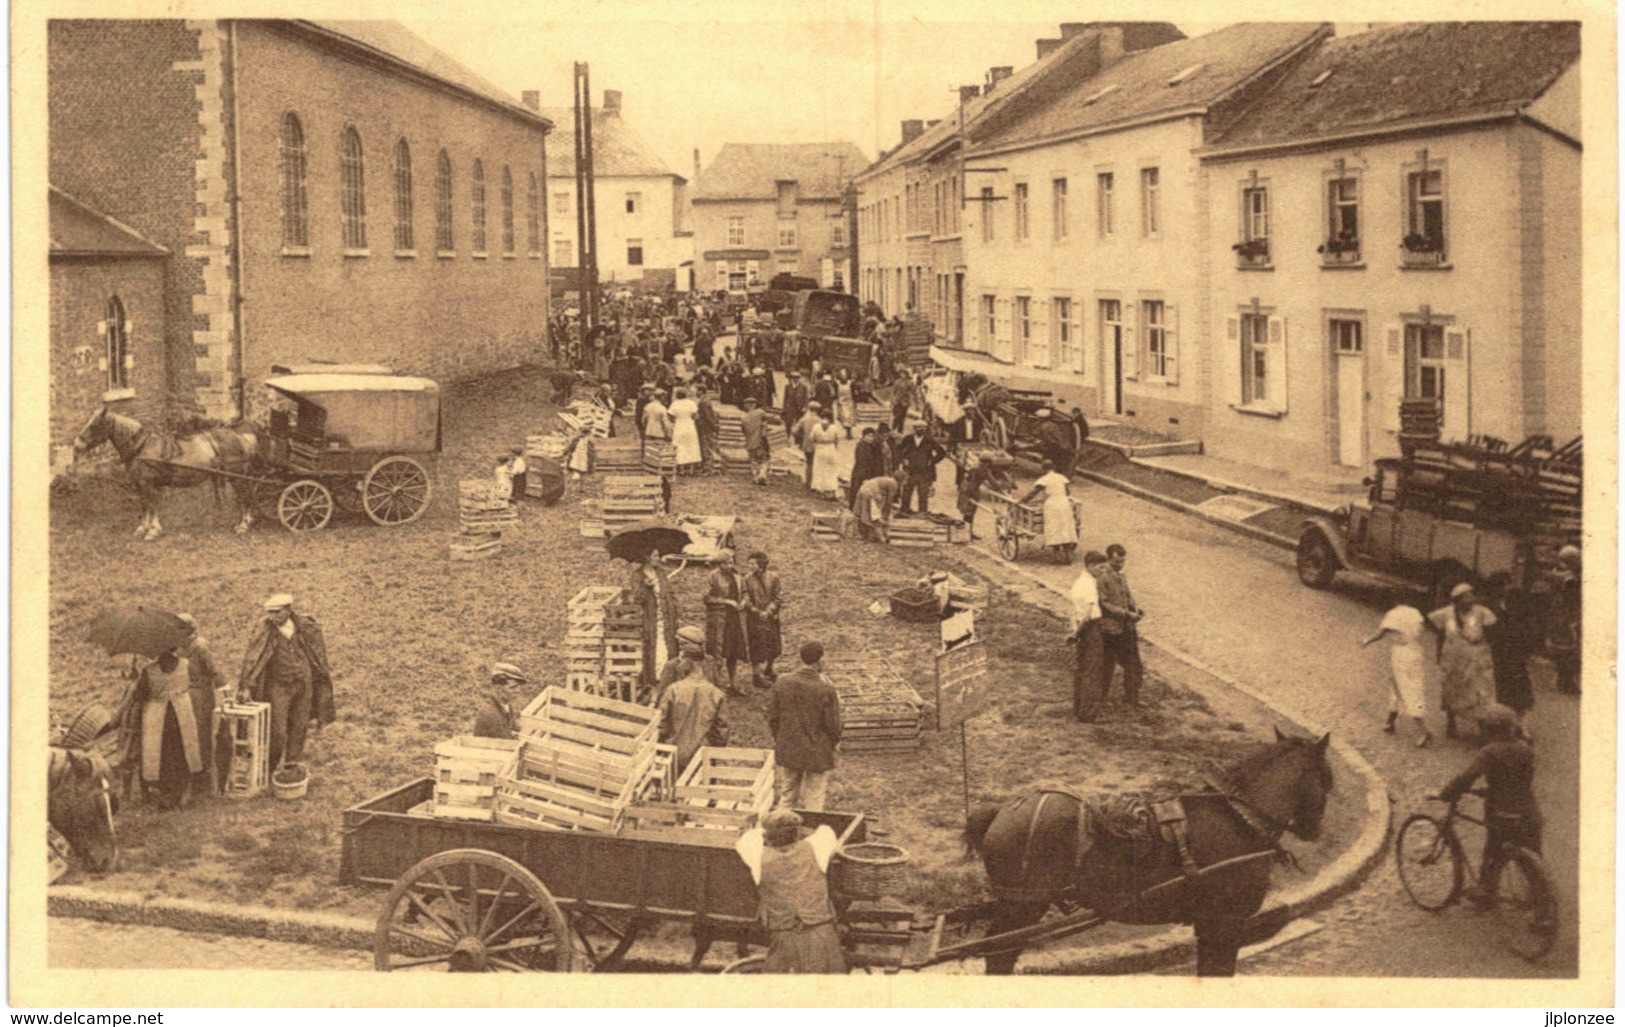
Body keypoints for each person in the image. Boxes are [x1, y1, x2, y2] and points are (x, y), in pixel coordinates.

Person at [1435, 703, 1545, 912]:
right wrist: (1488, 790)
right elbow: (1517, 781)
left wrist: (1447, 793)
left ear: (1487, 730)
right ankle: (1544, 912)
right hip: (1529, 812)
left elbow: (1467, 777)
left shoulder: (1489, 752)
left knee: (1493, 852)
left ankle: (1487, 894)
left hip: (1502, 814)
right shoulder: (1525, 749)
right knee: (1533, 861)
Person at [733, 809, 848, 973]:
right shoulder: (816, 848)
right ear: (797, 834)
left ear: (767, 837)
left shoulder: (757, 856)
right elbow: (826, 830)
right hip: (821, 932)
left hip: (784, 935)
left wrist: (767, 827)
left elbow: (747, 838)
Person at [238, 593, 335, 772]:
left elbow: (317, 654)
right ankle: (269, 766)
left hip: (304, 684)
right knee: (278, 731)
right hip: (279, 686)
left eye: (277, 612)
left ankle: (292, 763)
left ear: (288, 610)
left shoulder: (305, 626)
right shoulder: (264, 630)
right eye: (270, 612)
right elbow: (252, 659)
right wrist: (246, 685)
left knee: (300, 725)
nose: (272, 616)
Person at [114, 647, 211, 809]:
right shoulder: (186, 665)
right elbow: (195, 683)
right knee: (182, 751)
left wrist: (135, 682)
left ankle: (161, 793)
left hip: (157, 715)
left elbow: (139, 696)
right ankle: (180, 792)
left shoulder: (149, 671)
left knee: (158, 754)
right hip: (181, 713)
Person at [767, 642, 842, 812]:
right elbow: (833, 726)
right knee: (814, 798)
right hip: (817, 752)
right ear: (819, 660)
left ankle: (781, 832)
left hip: (789, 747)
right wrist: (833, 745)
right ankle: (811, 834)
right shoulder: (826, 690)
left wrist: (782, 739)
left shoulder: (781, 682)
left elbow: (772, 718)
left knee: (787, 795)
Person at [1360, 591, 1433, 747]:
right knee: (1403, 687)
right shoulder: (1415, 613)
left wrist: (1367, 641)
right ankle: (1389, 722)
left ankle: (1422, 731)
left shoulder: (1393, 614)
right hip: (1415, 651)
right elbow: (1420, 629)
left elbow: (1380, 634)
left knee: (1405, 689)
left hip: (1401, 653)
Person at [1428, 582, 1498, 738]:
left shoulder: (1482, 612)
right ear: (1457, 600)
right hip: (1453, 660)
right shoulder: (1446, 614)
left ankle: (1482, 726)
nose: (1471, 599)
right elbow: (1440, 636)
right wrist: (1439, 657)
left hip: (1477, 659)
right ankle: (1451, 721)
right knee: (1452, 690)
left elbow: (1492, 633)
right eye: (1467, 597)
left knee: (1480, 692)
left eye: (1472, 595)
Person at [658, 649, 731, 773]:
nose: (679, 665)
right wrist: (713, 750)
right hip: (703, 755)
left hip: (674, 754)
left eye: (681, 662)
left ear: (689, 664)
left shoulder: (673, 690)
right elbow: (722, 731)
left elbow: (661, 724)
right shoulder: (716, 694)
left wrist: (660, 748)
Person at [1483, 571, 1540, 719]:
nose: (1507, 587)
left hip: (1515, 648)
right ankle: (1500, 719)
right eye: (1503, 585)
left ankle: (1520, 721)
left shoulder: (1517, 601)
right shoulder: (1488, 604)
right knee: (1499, 683)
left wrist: (1527, 644)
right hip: (1497, 649)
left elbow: (1528, 622)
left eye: (1508, 584)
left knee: (1519, 684)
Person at [1097, 544, 1145, 707]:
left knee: (1134, 664)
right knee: (1106, 666)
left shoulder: (1121, 575)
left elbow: (1127, 594)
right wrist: (1124, 613)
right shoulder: (1102, 577)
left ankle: (1132, 698)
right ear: (1109, 559)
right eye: (1116, 562)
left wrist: (1135, 608)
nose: (1120, 565)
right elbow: (1104, 604)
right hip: (1110, 630)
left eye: (1122, 562)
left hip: (1127, 628)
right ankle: (1100, 700)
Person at [629, 552, 681, 697]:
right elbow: (637, 599)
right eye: (655, 556)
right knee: (653, 648)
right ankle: (652, 682)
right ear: (646, 557)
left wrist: (675, 611)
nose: (658, 559)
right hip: (651, 619)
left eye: (658, 556)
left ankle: (667, 681)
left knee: (669, 646)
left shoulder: (661, 573)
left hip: (666, 617)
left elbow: (669, 593)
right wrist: (646, 587)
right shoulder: (638, 575)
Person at [1069, 552, 1109, 723]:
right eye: (1100, 568)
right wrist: (1077, 632)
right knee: (1092, 671)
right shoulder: (1090, 585)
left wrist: (1074, 630)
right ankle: (1088, 712)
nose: (1103, 571)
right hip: (1090, 628)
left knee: (1082, 669)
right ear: (1091, 566)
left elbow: (1075, 611)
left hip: (1081, 627)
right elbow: (1087, 614)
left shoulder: (1078, 583)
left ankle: (1078, 707)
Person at [705, 550, 752, 695]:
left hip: (735, 619)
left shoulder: (738, 577)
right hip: (719, 619)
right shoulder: (712, 576)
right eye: (727, 563)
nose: (730, 565)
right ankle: (716, 685)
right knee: (718, 652)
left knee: (733, 651)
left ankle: (733, 684)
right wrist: (726, 601)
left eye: (732, 562)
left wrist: (744, 601)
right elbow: (706, 598)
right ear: (720, 564)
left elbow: (745, 592)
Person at [1019, 458, 1078, 560]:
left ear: (1043, 469)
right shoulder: (1061, 477)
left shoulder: (1044, 480)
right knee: (1065, 527)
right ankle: (1068, 556)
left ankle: (1057, 557)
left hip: (1052, 506)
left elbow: (1033, 493)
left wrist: (1021, 501)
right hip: (1064, 504)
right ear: (1053, 467)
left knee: (1054, 528)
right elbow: (1068, 493)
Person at [744, 550, 784, 688]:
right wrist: (756, 611)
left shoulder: (773, 577)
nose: (749, 566)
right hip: (754, 619)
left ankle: (769, 668)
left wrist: (768, 611)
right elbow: (746, 598)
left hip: (771, 617)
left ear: (760, 564)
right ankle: (756, 677)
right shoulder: (747, 579)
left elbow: (778, 597)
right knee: (756, 647)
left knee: (773, 644)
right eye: (748, 563)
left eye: (752, 563)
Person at [1546, 545, 1581, 695]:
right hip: (1567, 616)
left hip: (1559, 615)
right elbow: (1573, 599)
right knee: (1569, 651)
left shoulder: (1559, 574)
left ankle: (1563, 680)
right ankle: (1566, 681)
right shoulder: (1570, 579)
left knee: (1564, 650)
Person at [895, 422, 946, 516]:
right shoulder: (908, 439)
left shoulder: (929, 440)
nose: (921, 430)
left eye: (923, 428)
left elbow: (941, 452)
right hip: (909, 471)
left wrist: (932, 461)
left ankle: (922, 512)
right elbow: (898, 450)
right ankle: (904, 511)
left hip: (924, 471)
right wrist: (903, 460)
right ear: (914, 429)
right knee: (906, 491)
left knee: (923, 493)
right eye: (918, 428)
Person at [957, 452, 1010, 541]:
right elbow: (993, 482)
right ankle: (967, 534)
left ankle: (968, 532)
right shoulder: (982, 469)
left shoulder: (977, 466)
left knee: (969, 513)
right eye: (990, 462)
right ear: (987, 462)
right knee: (969, 513)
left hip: (968, 489)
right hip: (970, 491)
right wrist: (1003, 493)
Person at [472, 663, 528, 740]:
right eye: (513, 687)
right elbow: (507, 742)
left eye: (518, 687)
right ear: (498, 688)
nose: (518, 691)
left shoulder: (506, 707)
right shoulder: (490, 714)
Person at [658, 625, 710, 698]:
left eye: (700, 645)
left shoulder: (709, 662)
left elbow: (718, 687)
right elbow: (663, 695)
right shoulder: (672, 666)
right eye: (682, 644)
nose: (700, 648)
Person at [854, 470, 903, 543]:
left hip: (863, 490)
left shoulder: (887, 480)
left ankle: (866, 536)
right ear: (902, 480)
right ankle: (879, 538)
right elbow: (889, 501)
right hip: (871, 493)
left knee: (865, 515)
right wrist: (885, 516)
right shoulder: (893, 484)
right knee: (874, 518)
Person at [847, 427, 885, 511]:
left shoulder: (873, 446)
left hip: (870, 473)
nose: (871, 438)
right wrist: (865, 477)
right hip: (861, 473)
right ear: (864, 436)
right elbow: (862, 461)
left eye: (872, 436)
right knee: (857, 491)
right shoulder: (861, 446)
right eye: (869, 436)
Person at [808, 411, 843, 499]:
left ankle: (820, 490)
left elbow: (811, 438)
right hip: (830, 448)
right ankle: (830, 491)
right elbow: (837, 439)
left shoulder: (816, 427)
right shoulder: (834, 427)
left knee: (819, 469)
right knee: (831, 470)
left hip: (819, 448)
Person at [669, 387, 702, 475]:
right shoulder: (691, 403)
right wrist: (691, 419)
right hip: (689, 425)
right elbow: (696, 416)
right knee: (691, 446)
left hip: (679, 425)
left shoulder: (674, 404)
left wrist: (675, 420)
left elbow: (670, 416)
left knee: (680, 446)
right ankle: (691, 470)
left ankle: (681, 469)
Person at [741, 396, 772, 485]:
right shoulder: (760, 413)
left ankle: (756, 476)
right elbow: (772, 418)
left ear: (746, 406)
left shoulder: (743, 418)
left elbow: (743, 431)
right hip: (760, 441)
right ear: (754, 405)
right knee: (764, 459)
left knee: (753, 460)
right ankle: (762, 475)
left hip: (750, 442)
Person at [793, 401, 824, 488]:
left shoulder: (803, 419)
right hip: (818, 446)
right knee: (817, 463)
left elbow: (795, 432)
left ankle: (808, 483)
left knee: (809, 463)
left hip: (807, 445)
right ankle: (816, 483)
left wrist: (802, 436)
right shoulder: (820, 421)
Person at [696, 386, 722, 475]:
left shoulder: (704, 402)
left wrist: (713, 426)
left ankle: (708, 469)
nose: (696, 392)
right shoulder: (705, 400)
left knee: (706, 448)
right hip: (705, 427)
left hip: (705, 428)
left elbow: (708, 416)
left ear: (701, 391)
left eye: (697, 390)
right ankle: (707, 468)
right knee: (706, 448)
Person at [834, 369, 857, 439]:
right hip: (841, 403)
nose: (843, 377)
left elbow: (854, 393)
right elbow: (835, 393)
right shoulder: (837, 383)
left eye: (845, 375)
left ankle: (849, 432)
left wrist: (855, 402)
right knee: (844, 418)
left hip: (849, 402)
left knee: (849, 418)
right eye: (842, 375)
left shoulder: (850, 383)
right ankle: (847, 432)